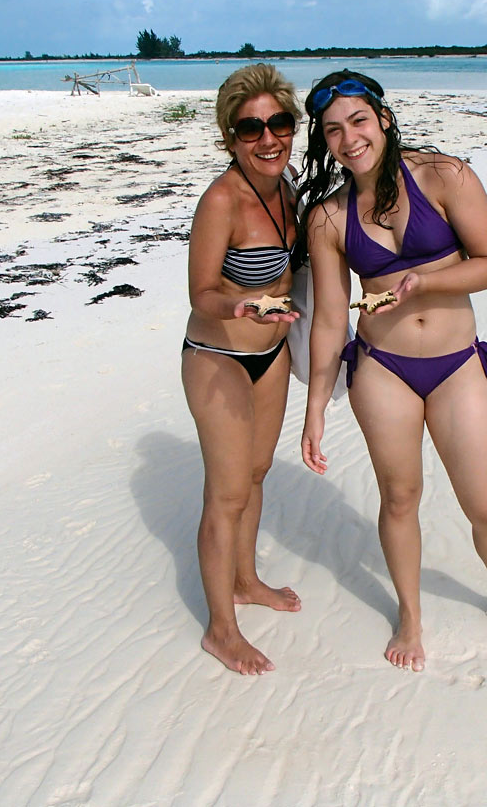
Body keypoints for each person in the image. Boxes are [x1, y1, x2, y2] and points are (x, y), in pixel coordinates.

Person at [299, 70, 487, 672]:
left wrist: (425, 283)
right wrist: (315, 408)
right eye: (333, 130)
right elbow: (329, 320)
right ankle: (411, 617)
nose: (349, 139)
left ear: (384, 120)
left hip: (456, 366)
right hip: (382, 368)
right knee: (400, 497)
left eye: (359, 121)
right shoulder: (328, 218)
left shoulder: (445, 176)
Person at [181, 64, 305, 675]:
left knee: (256, 474)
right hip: (217, 357)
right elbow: (200, 292)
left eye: (278, 123)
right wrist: (235, 304)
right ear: (230, 136)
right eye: (250, 128)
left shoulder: (288, 192)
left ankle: (246, 580)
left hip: (271, 355)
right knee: (226, 492)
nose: (267, 138)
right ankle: (221, 630)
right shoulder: (221, 200)